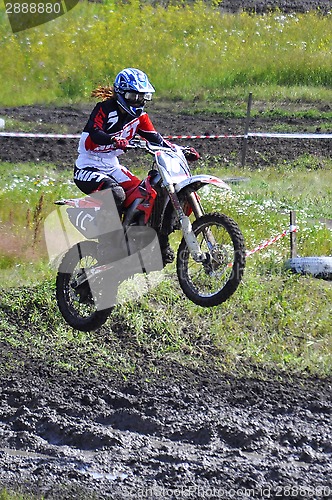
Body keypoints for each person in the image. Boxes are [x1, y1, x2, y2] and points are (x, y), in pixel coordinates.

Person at [74, 67, 199, 265]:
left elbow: (157, 139)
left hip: (111, 165)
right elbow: (94, 134)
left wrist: (181, 150)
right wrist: (113, 139)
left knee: (148, 192)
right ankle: (108, 244)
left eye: (143, 97)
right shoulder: (104, 109)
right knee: (115, 194)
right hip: (88, 166)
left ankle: (158, 241)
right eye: (134, 96)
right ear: (122, 94)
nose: (138, 101)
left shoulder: (140, 118)